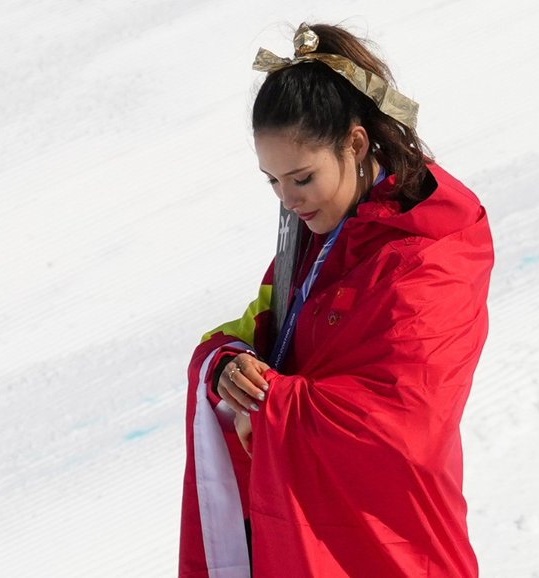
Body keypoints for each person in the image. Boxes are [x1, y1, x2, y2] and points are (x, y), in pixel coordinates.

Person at [179, 22, 494, 578]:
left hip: (393, 537)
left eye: (301, 178)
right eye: (272, 182)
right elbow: (266, 328)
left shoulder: (429, 250)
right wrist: (229, 364)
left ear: (354, 142)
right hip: (303, 534)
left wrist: (271, 399)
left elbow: (403, 424)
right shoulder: (313, 235)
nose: (288, 200)